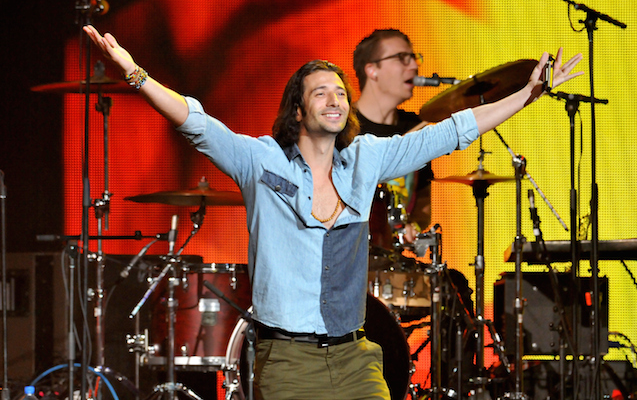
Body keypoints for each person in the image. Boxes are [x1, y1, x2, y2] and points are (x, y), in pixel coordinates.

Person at [82, 24, 582, 400]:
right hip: (287, 361)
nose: (335, 99)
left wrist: (528, 94)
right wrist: (134, 73)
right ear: (298, 110)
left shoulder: (366, 157)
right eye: (320, 91)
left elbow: (450, 132)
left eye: (341, 91)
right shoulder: (261, 160)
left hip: (355, 359)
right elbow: (196, 122)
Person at [353, 28, 433, 246]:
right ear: (372, 70)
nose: (414, 66)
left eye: (414, 58)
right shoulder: (343, 129)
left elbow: (423, 201)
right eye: (402, 58)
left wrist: (414, 227)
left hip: (391, 258)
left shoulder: (417, 127)